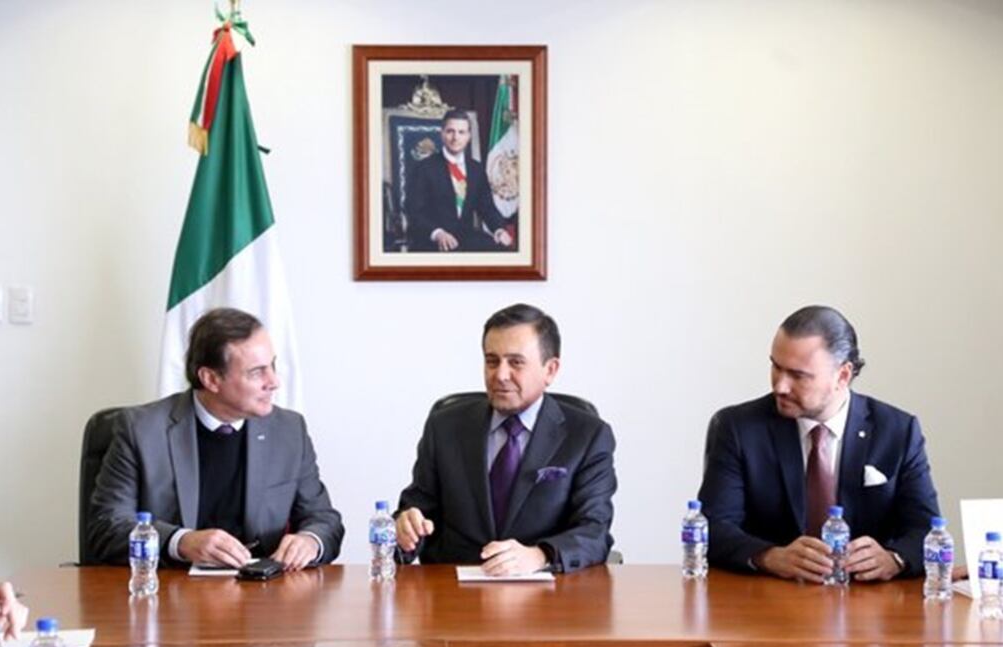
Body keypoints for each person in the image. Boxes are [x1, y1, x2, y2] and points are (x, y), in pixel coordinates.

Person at [88, 308, 344, 571]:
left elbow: (324, 519)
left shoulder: (288, 430)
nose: (274, 381)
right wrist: (181, 542)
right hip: (170, 591)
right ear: (210, 379)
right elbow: (105, 526)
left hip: (262, 594)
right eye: (257, 372)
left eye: (273, 366)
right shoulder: (141, 430)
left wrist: (310, 541)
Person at [698, 305, 940, 583]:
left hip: (868, 607)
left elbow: (926, 529)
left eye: (798, 375)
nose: (780, 386)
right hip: (768, 602)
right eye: (776, 367)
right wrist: (769, 556)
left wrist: (894, 558)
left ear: (843, 376)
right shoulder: (739, 428)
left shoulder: (897, 430)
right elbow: (712, 528)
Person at [396, 303, 617, 575]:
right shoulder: (445, 427)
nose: (500, 375)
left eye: (515, 362)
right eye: (492, 361)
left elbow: (594, 531)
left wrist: (539, 555)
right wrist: (405, 526)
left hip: (546, 594)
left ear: (550, 370)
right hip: (453, 590)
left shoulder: (587, 435)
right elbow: (418, 508)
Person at [405, 109, 513, 252]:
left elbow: (487, 207)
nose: (455, 137)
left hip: (465, 237)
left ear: (468, 136)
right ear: (442, 134)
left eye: (461, 132)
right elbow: (413, 210)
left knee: (502, 252)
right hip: (431, 239)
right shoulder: (424, 168)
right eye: (450, 131)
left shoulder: (477, 169)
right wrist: (437, 233)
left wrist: (499, 229)